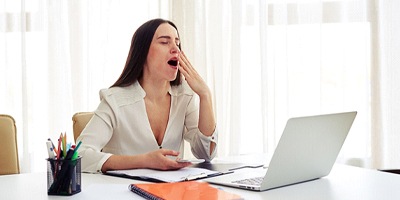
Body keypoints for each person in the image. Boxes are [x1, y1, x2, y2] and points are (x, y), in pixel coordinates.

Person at [76, 18, 217, 173]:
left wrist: (205, 95)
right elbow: (80, 156)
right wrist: (144, 160)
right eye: (164, 42)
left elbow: (206, 154)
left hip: (170, 193)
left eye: (177, 43)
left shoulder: (185, 96)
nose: (175, 49)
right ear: (142, 52)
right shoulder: (114, 100)